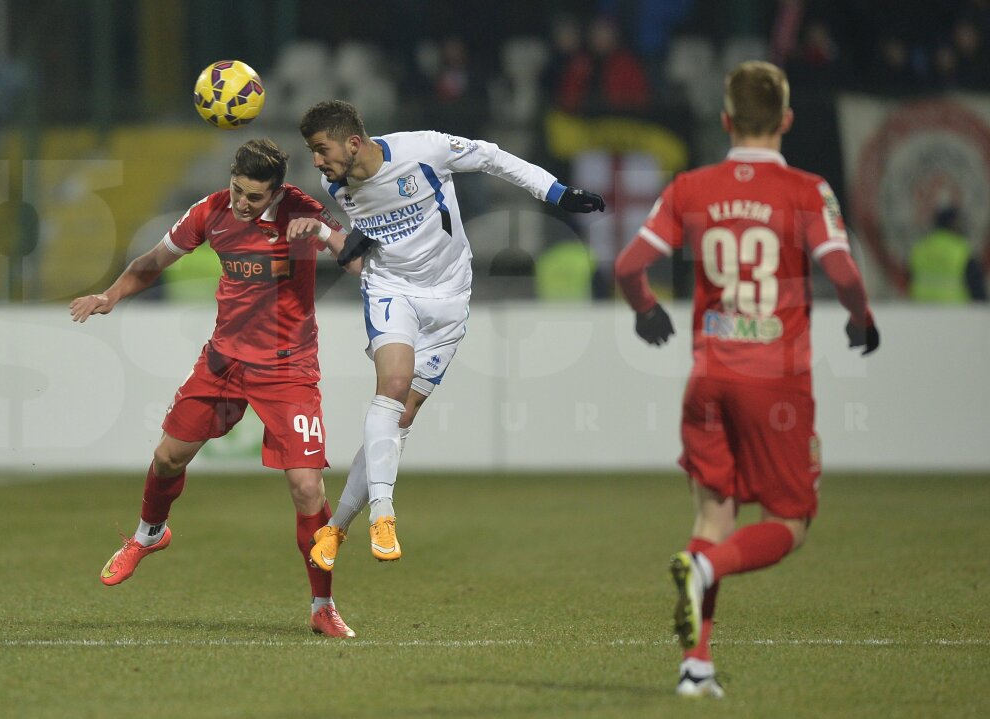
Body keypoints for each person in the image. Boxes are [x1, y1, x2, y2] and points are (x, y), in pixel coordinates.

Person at [614, 61, 881, 698]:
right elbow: (843, 273)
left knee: (714, 514)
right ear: (786, 120)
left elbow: (629, 264)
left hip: (709, 377)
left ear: (726, 119)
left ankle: (695, 667)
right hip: (776, 382)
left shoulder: (692, 188)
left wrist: (647, 310)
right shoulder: (806, 191)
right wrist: (861, 320)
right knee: (790, 521)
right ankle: (703, 570)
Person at [298, 100, 605, 571]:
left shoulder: (425, 149)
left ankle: (336, 527)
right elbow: (375, 226)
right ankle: (383, 513)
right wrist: (356, 235)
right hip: (389, 289)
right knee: (393, 389)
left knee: (402, 418)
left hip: (449, 295)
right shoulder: (334, 182)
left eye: (321, 149)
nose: (317, 162)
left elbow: (493, 157)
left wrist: (557, 192)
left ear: (353, 143)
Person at [70, 139, 360, 638]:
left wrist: (322, 233)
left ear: (276, 191)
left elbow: (357, 260)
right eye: (238, 191)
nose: (243, 203)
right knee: (166, 458)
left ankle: (322, 605)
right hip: (223, 362)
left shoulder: (301, 210)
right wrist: (109, 294)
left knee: (307, 487)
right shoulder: (211, 210)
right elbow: (154, 261)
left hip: (287, 371)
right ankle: (148, 535)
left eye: (254, 196)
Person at [908, 206, 987, 303]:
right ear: (953, 224)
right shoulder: (961, 252)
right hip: (954, 313)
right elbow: (978, 292)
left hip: (920, 312)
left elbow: (909, 280)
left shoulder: (920, 249)